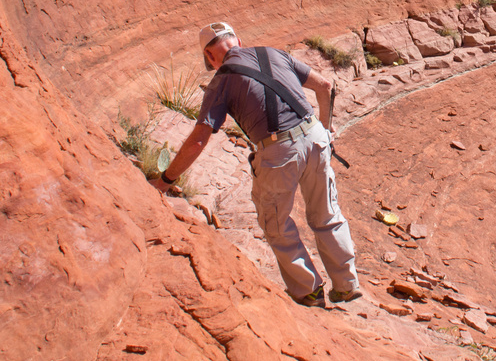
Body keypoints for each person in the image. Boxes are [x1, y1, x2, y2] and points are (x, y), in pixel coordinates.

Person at [149, 21, 361, 308]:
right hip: (315, 137)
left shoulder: (221, 81)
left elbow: (199, 140)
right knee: (327, 213)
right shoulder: (273, 53)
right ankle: (347, 285)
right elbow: (324, 85)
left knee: (276, 223)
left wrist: (165, 181)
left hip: (278, 150)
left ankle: (308, 290)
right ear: (237, 40)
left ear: (210, 56)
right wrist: (325, 128)